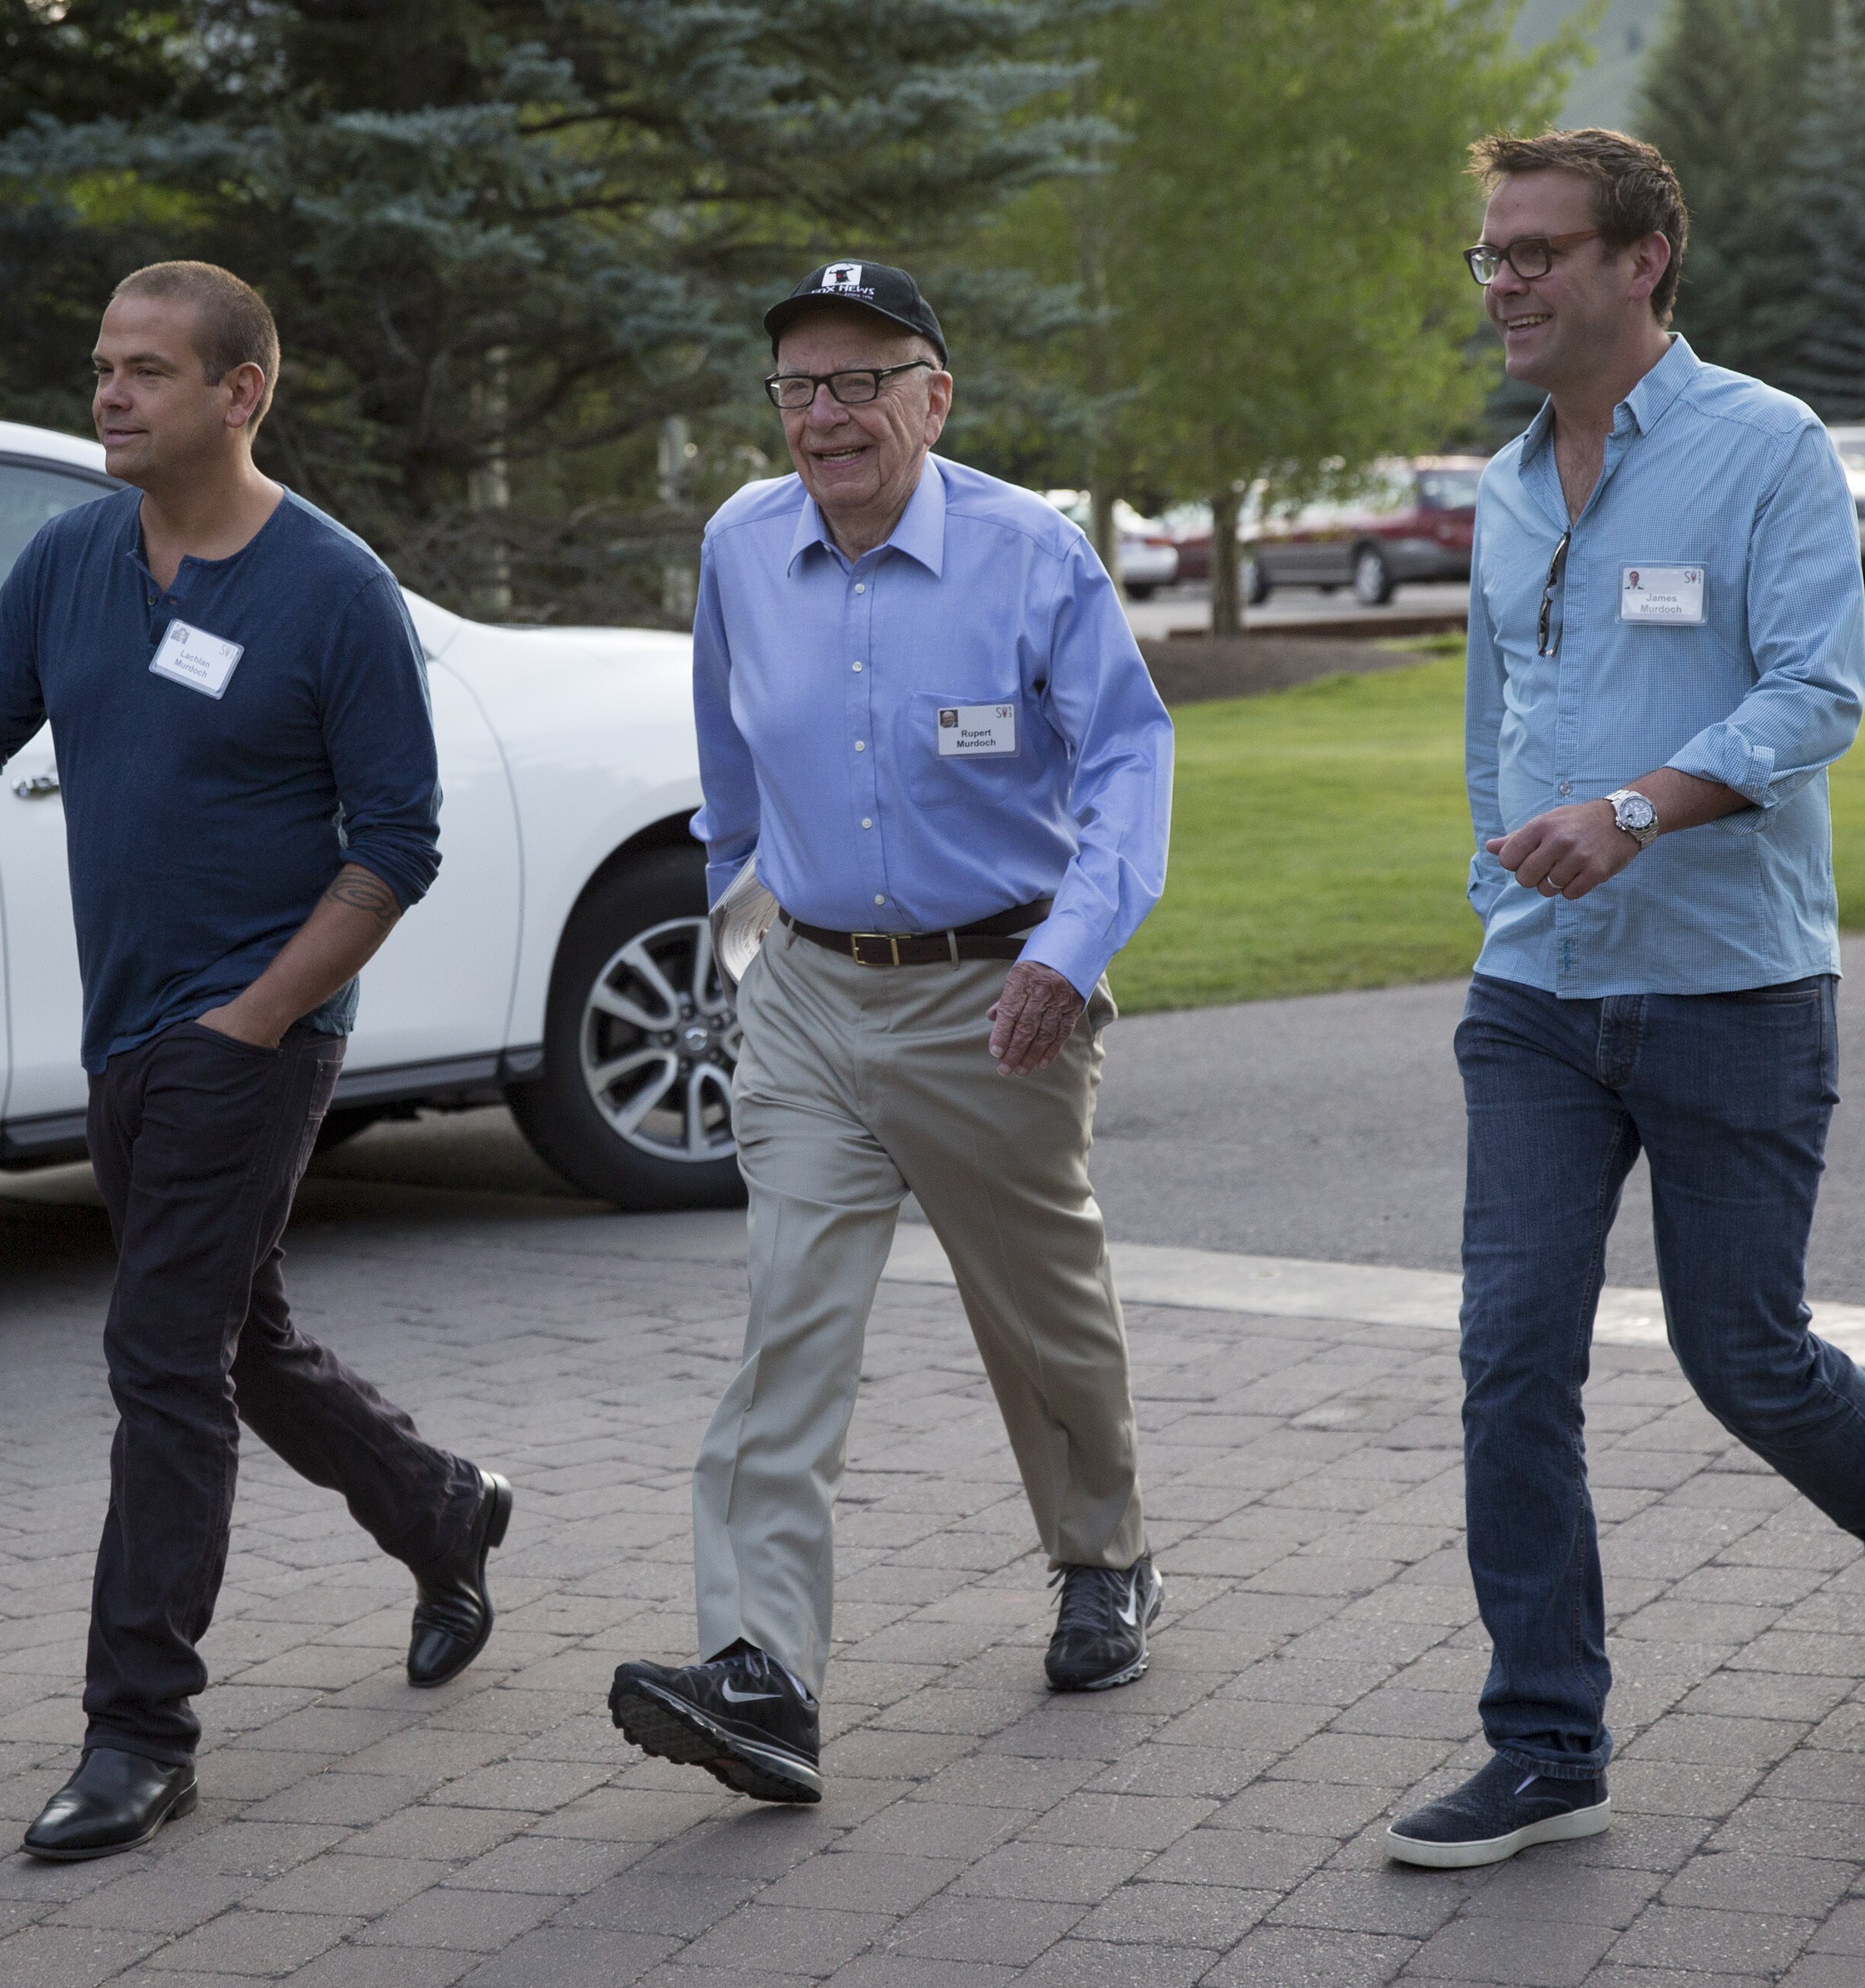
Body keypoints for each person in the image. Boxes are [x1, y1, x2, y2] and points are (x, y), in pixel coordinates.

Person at [0, 261, 512, 1862]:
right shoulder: (71, 559)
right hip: (127, 1027)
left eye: (146, 370)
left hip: (245, 1036)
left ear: (239, 393)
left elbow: (396, 845)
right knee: (233, 1333)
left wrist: (261, 1017)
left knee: (160, 1365)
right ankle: (440, 1510)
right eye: (101, 366)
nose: (110, 395)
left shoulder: (331, 588)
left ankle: (139, 1731)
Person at [1384, 132, 1865, 1871]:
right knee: (1508, 1359)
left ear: (1641, 260)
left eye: (1535, 252)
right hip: (1535, 1001)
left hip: (1731, 988)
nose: (1501, 282)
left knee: (1744, 1360)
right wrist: (1502, 879)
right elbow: (1497, 716)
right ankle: (1544, 1740)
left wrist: (1634, 810)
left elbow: (1816, 692)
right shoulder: (1503, 486)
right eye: (1488, 254)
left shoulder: (1762, 449)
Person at [607, 260, 1177, 1805]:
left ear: (935, 394)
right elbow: (725, 761)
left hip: (997, 998)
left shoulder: (1028, 555)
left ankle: (1101, 1555)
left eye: (862, 379)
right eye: (797, 384)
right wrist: (740, 929)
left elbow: (1128, 761)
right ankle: (759, 1673)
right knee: (787, 1325)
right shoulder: (739, 543)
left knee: (1037, 1312)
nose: (825, 414)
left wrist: (1068, 952)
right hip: (803, 997)